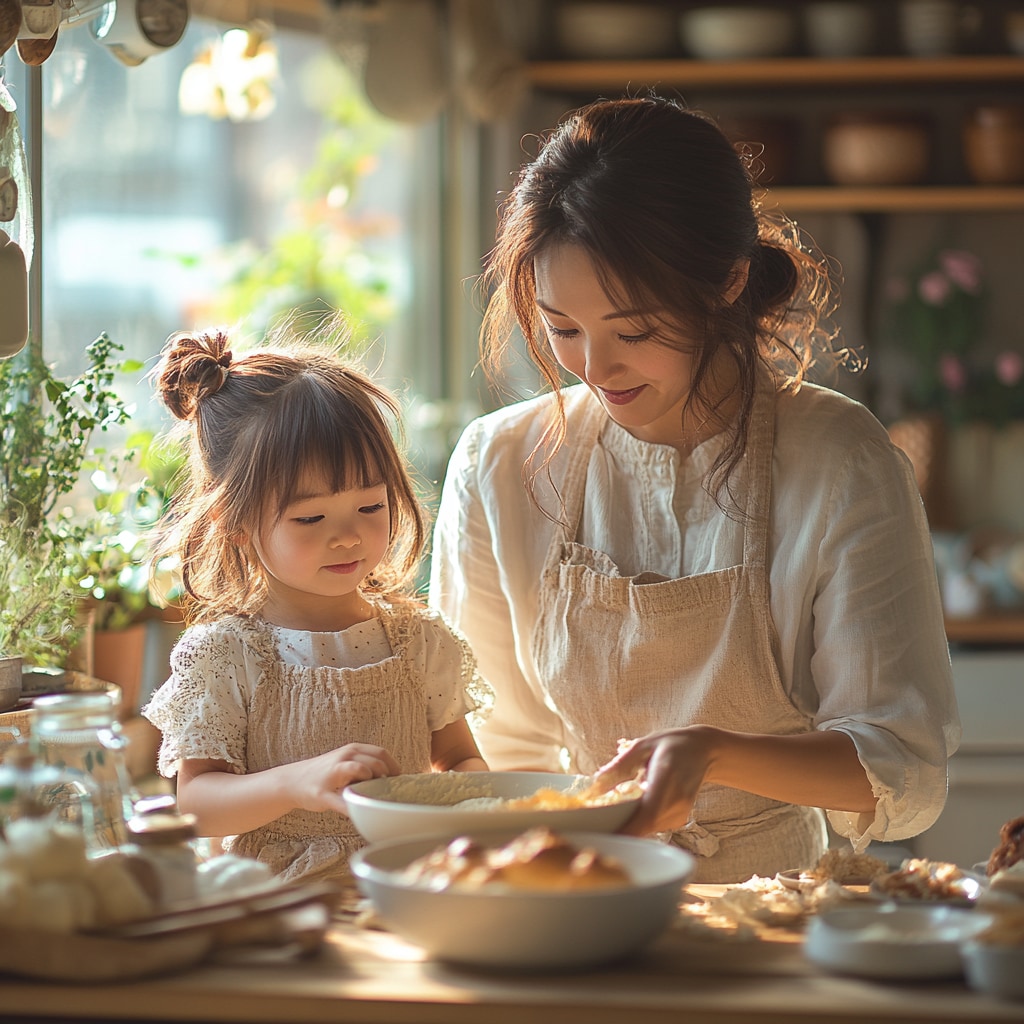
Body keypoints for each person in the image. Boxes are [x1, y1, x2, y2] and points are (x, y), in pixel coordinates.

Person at [429, 95, 960, 883]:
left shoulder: (838, 460)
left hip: (771, 915)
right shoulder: (500, 463)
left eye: (633, 332)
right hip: (567, 895)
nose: (594, 369)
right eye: (562, 327)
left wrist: (715, 754)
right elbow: (490, 749)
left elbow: (902, 769)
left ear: (727, 282)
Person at [143, 318, 488, 883]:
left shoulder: (417, 640)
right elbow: (196, 802)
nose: (348, 536)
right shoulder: (226, 655)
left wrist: (477, 803)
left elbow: (459, 760)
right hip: (276, 900)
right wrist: (297, 783)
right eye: (310, 518)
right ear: (236, 524)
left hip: (408, 885)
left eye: (371, 507)